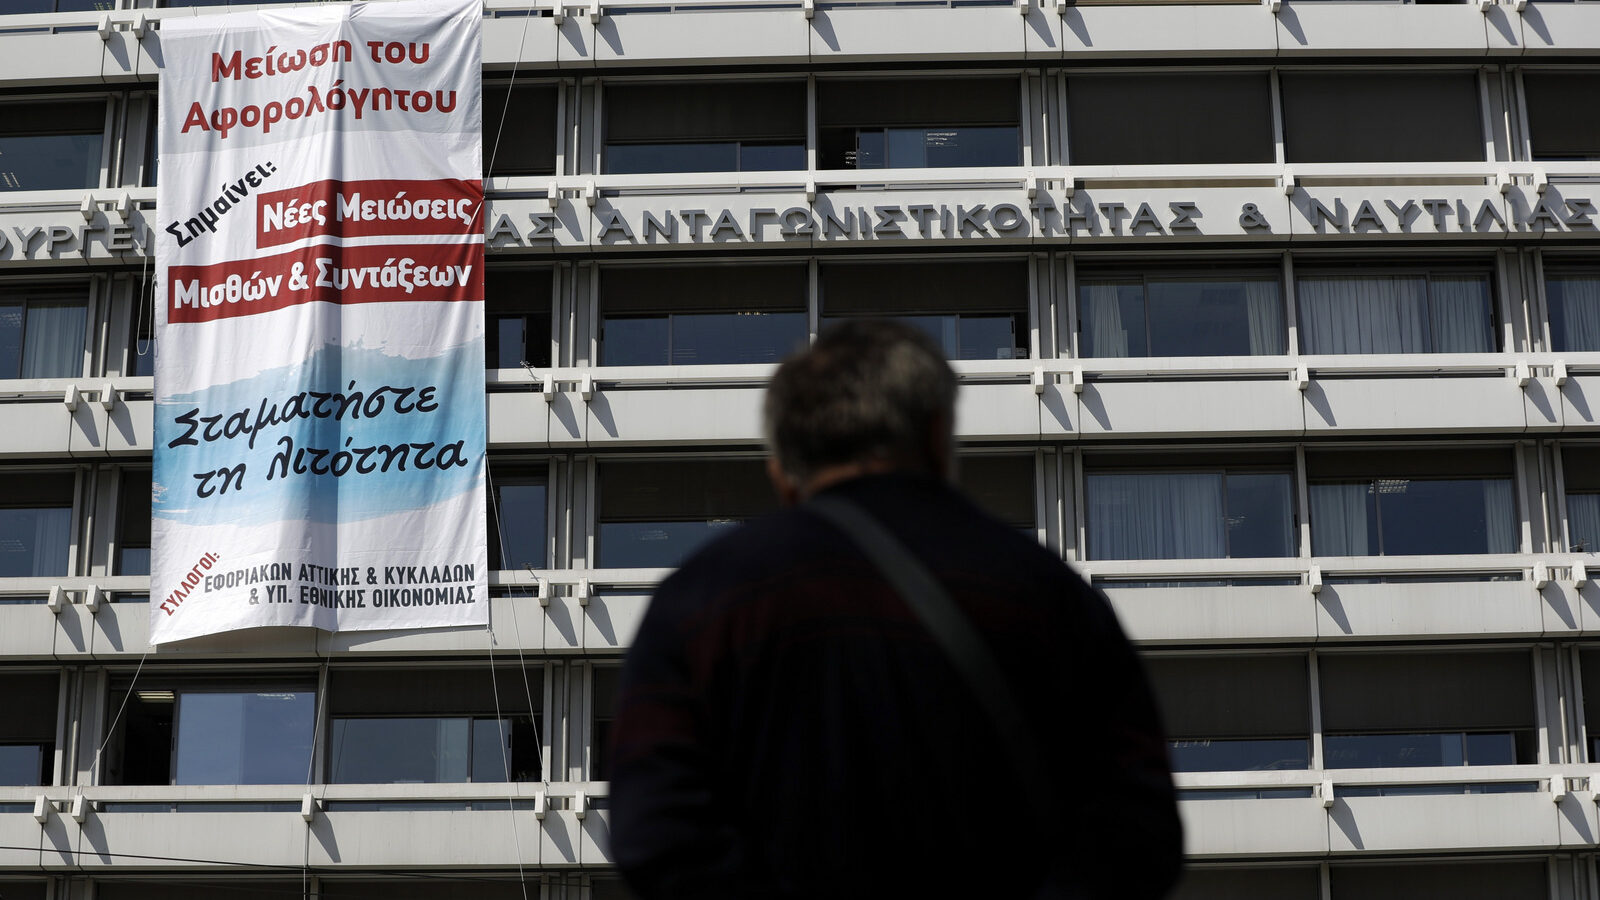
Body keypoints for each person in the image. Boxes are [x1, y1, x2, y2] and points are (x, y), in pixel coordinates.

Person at [608, 319, 1182, 899]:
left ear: (782, 472)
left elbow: (655, 831)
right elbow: (1136, 829)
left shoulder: (703, 600)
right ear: (936, 438)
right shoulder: (1049, 595)